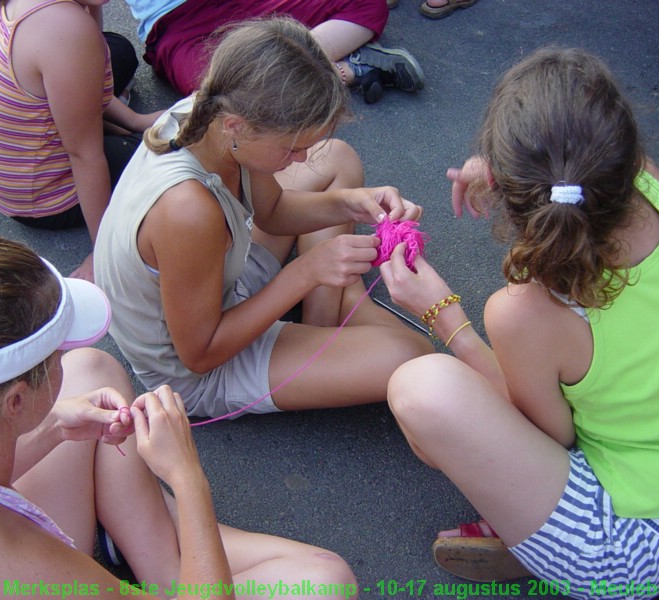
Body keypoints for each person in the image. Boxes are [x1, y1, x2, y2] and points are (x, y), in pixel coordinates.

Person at [379, 47, 659, 595]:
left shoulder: (527, 311)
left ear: (512, 193)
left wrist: (441, 313)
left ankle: (538, 540)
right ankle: (533, 528)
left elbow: (549, 437)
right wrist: (516, 170)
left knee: (421, 391)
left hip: (637, 546)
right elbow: (583, 168)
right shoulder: (646, 181)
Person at [0, 233, 358, 598]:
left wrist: (54, 426)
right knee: (325, 581)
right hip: (10, 561)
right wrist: (186, 479)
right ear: (14, 402)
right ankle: (174, 577)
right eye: (56, 354)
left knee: (93, 369)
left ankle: (163, 564)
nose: (65, 358)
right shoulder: (9, 563)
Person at [94, 17, 434, 420]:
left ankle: (324, 322)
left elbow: (271, 213)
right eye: (292, 148)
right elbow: (200, 355)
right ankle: (332, 317)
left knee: (338, 158)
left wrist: (351, 204)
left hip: (219, 278)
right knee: (416, 358)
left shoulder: (216, 111)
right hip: (198, 367)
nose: (302, 158)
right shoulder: (189, 211)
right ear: (238, 127)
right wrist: (307, 272)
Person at [0, 0, 166, 282]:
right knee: (174, 153)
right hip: (45, 198)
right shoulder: (65, 28)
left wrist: (135, 121)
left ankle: (101, 123)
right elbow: (84, 156)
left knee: (117, 50)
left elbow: (87, 71)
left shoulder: (40, 12)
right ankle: (101, 131)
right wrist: (103, 251)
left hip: (13, 169)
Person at [126, 0, 425, 104]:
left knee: (367, 4)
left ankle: (320, 67)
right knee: (218, 94)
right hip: (178, 24)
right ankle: (346, 69)